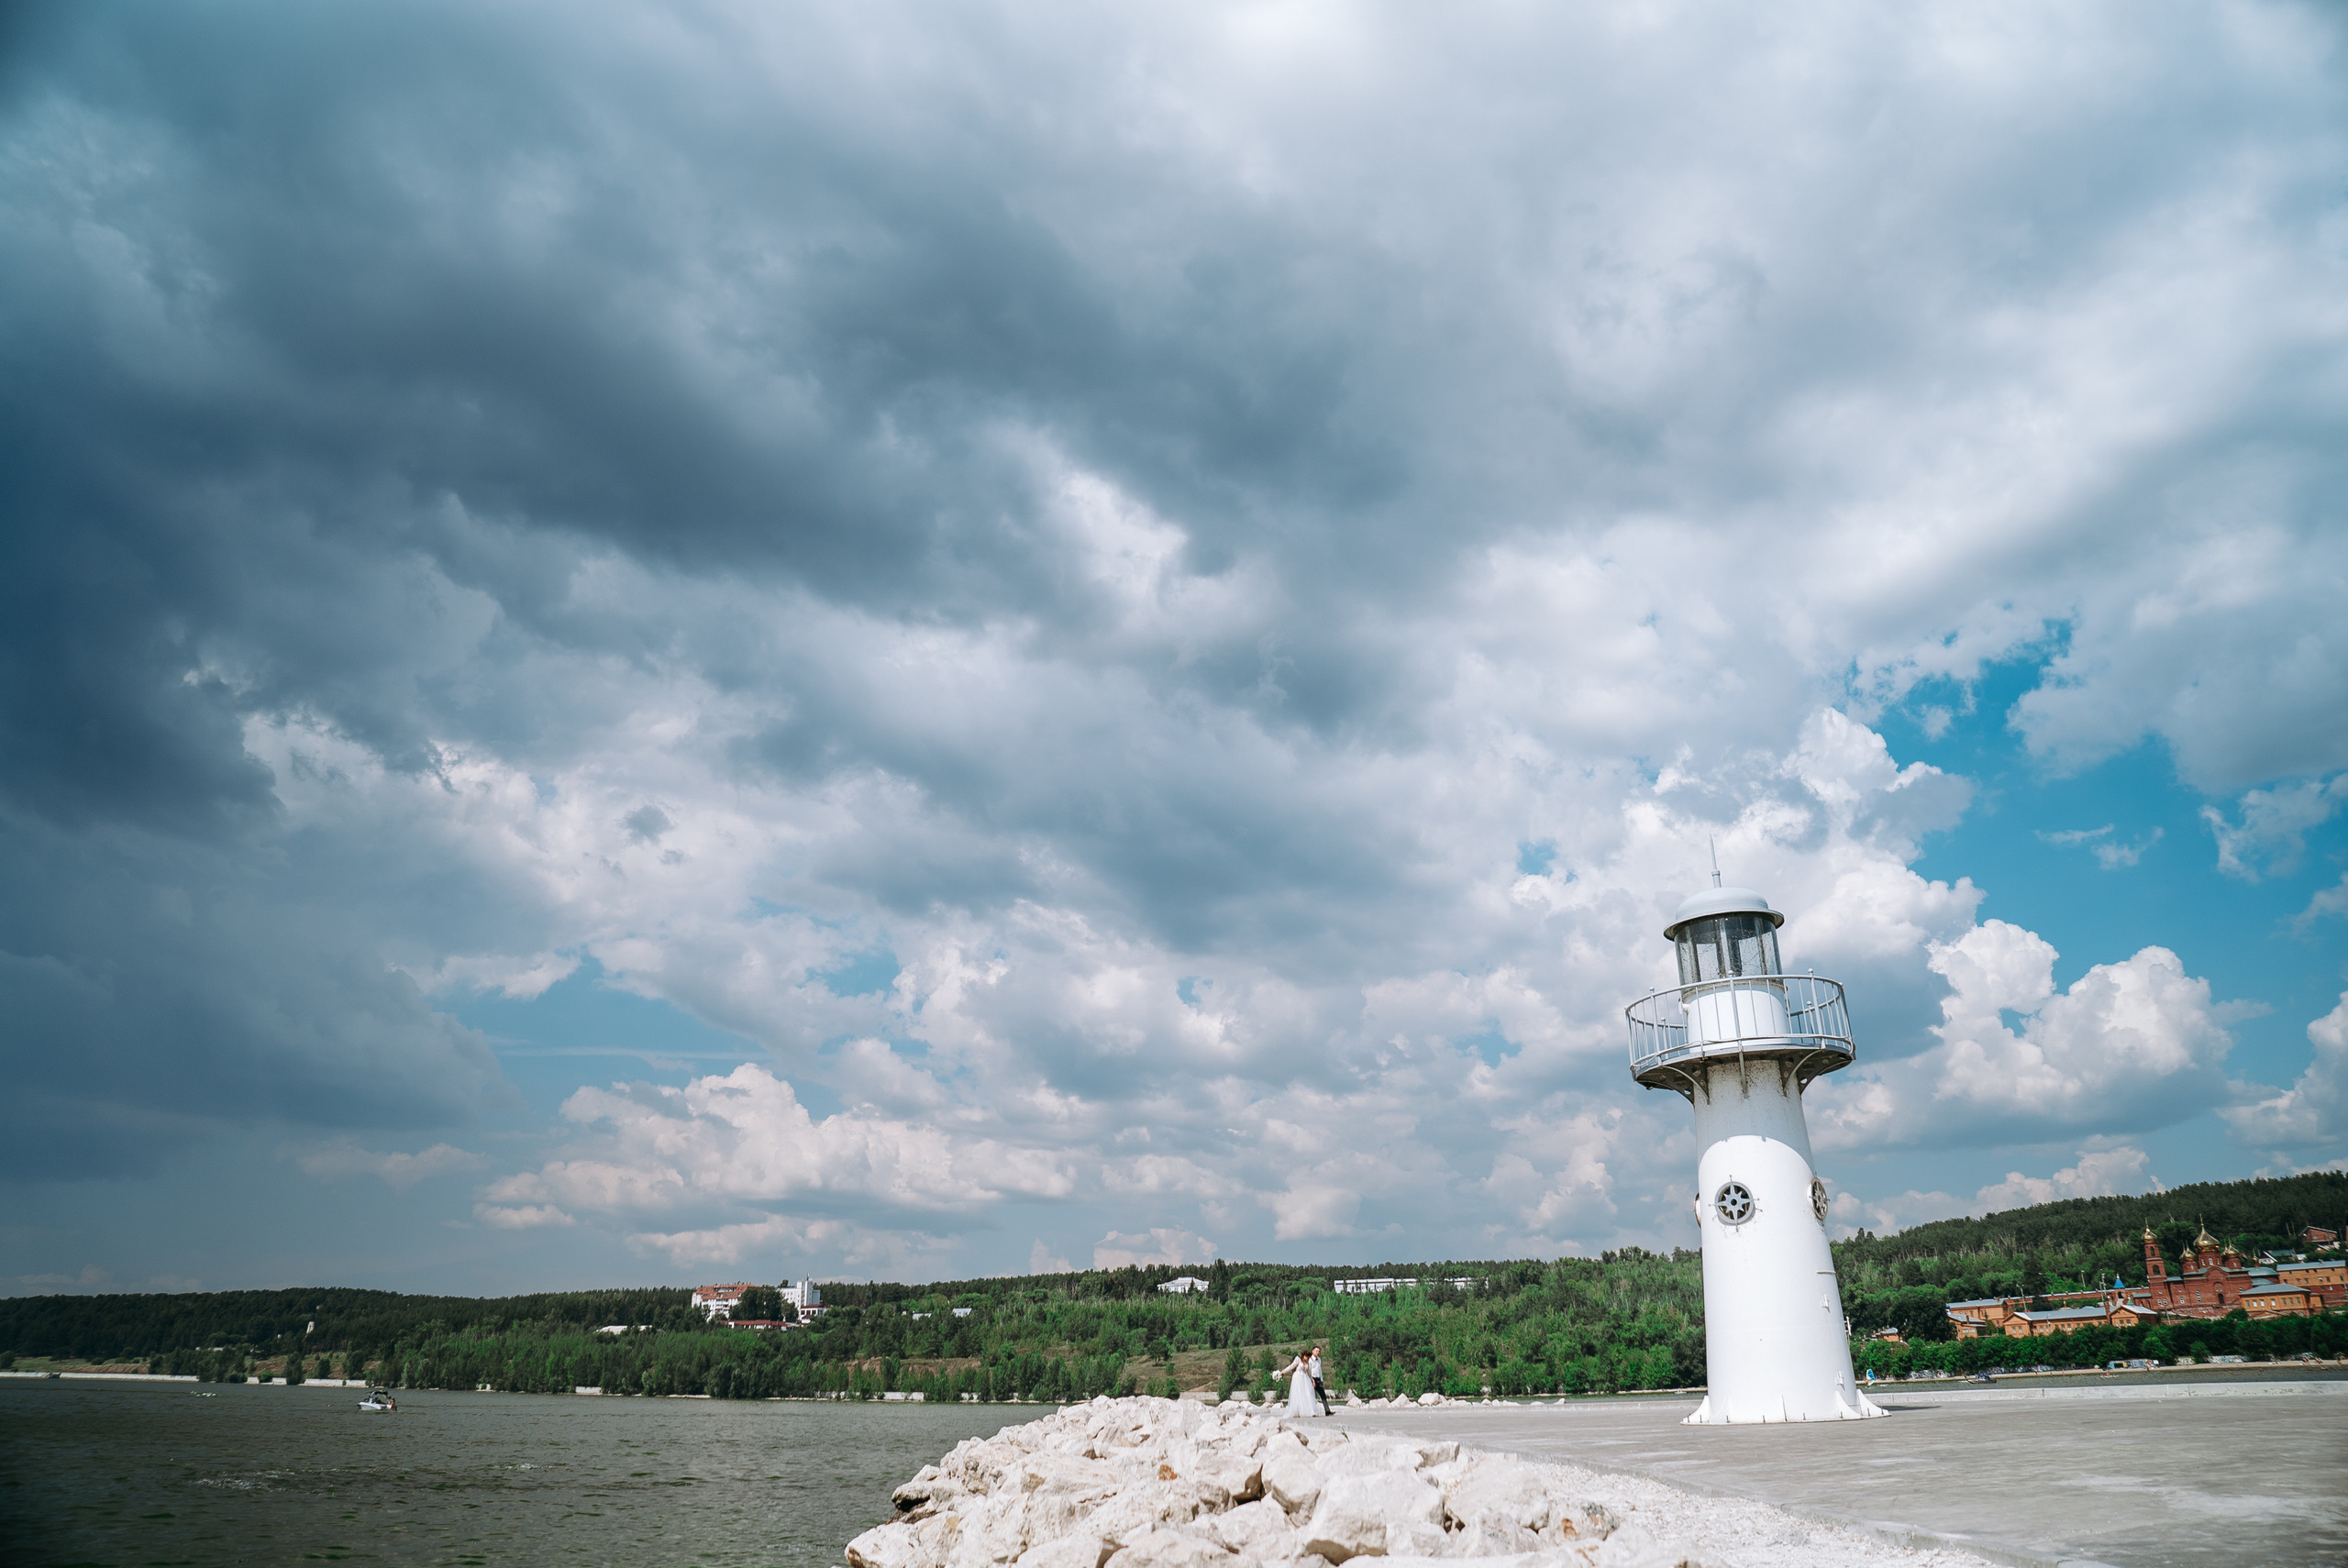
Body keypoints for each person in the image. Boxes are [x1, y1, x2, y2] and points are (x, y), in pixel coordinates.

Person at [1279, 1349, 1316, 1419]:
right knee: (1298, 1394)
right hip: (1297, 1378)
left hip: (1304, 1379)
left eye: (1309, 1357)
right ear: (1303, 1356)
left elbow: (1309, 1373)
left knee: (1307, 1394)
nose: (1308, 1358)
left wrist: (1312, 1381)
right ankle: (1298, 1411)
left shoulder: (1307, 1363)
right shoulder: (1298, 1360)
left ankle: (1311, 1411)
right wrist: (1283, 1372)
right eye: (1307, 1357)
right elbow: (1291, 1366)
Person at [1308, 1347, 1330, 1415]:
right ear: (1313, 1351)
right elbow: (1309, 1371)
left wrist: (1321, 1379)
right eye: (1316, 1351)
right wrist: (1312, 1380)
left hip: (1318, 1379)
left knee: (1323, 1394)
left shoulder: (1319, 1360)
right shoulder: (1310, 1360)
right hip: (1312, 1379)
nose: (1318, 1352)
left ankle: (1327, 1410)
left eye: (1319, 1351)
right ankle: (1312, 1411)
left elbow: (1319, 1370)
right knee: (1312, 1396)